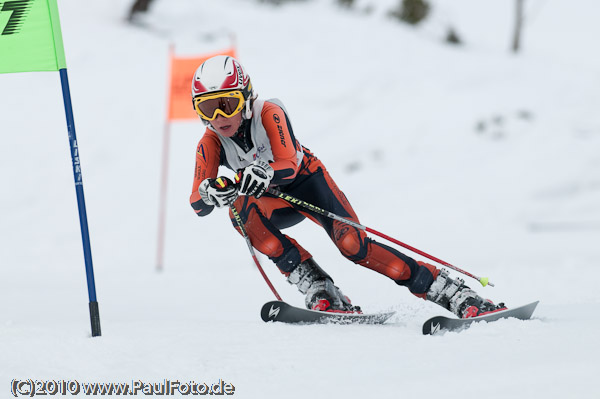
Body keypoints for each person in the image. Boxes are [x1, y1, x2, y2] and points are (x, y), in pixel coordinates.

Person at [189, 55, 505, 318]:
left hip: (307, 183)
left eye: (227, 103)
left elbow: (287, 164)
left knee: (354, 245)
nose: (219, 117)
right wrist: (210, 192)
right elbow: (197, 202)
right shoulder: (210, 142)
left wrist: (263, 172)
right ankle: (317, 286)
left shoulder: (268, 112)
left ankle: (450, 291)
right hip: (275, 202)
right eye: (207, 108)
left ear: (246, 97)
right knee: (240, 214)